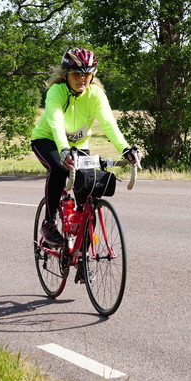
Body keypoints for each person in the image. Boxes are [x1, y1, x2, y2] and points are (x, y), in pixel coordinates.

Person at [30, 48, 141, 246]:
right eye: (76, 74)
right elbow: (56, 123)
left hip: (78, 145)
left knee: (88, 190)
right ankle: (49, 223)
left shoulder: (96, 94)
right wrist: (63, 150)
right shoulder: (56, 91)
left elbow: (108, 124)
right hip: (48, 140)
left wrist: (125, 149)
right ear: (66, 74)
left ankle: (82, 252)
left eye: (87, 75)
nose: (82, 79)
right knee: (59, 168)